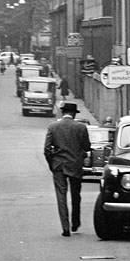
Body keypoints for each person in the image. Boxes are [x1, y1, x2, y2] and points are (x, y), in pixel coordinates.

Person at [44, 101, 91, 237]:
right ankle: (75, 222)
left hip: (58, 165)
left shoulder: (53, 127)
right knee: (76, 194)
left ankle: (65, 228)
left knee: (61, 196)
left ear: (63, 112)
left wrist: (51, 164)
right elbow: (87, 146)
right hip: (75, 165)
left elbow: (46, 149)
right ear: (73, 114)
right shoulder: (81, 127)